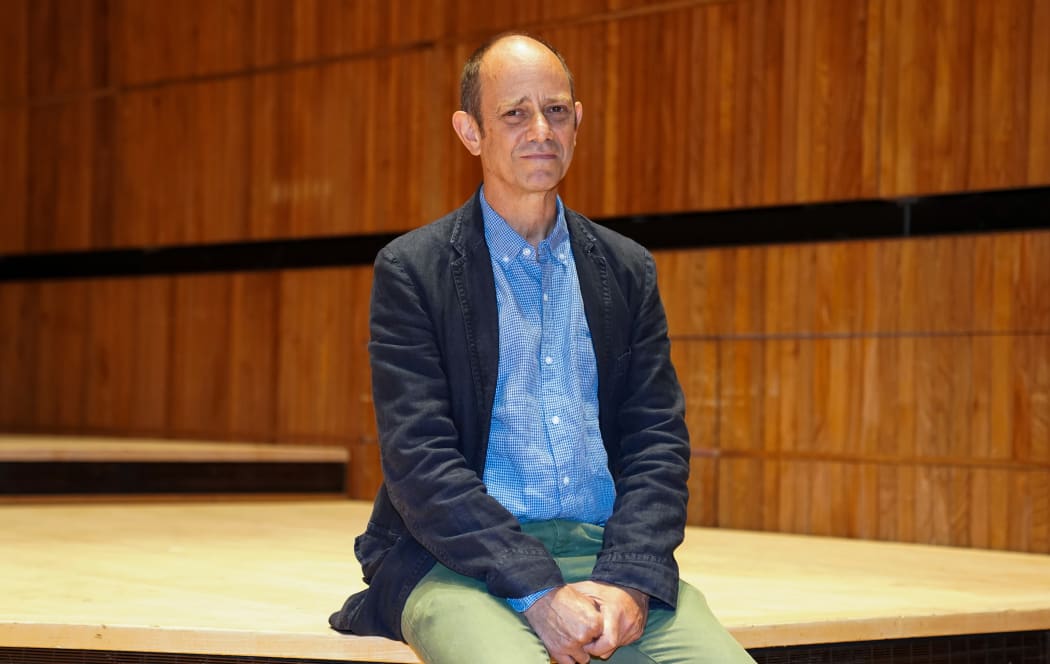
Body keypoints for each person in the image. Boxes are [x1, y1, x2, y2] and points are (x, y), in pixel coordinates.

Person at [330, 32, 755, 664]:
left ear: (578, 123)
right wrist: (536, 589)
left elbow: (657, 443)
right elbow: (420, 462)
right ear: (470, 132)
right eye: (514, 113)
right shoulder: (413, 271)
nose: (541, 130)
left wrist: (631, 577)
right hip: (459, 566)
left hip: (606, 561)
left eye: (556, 110)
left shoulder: (626, 269)